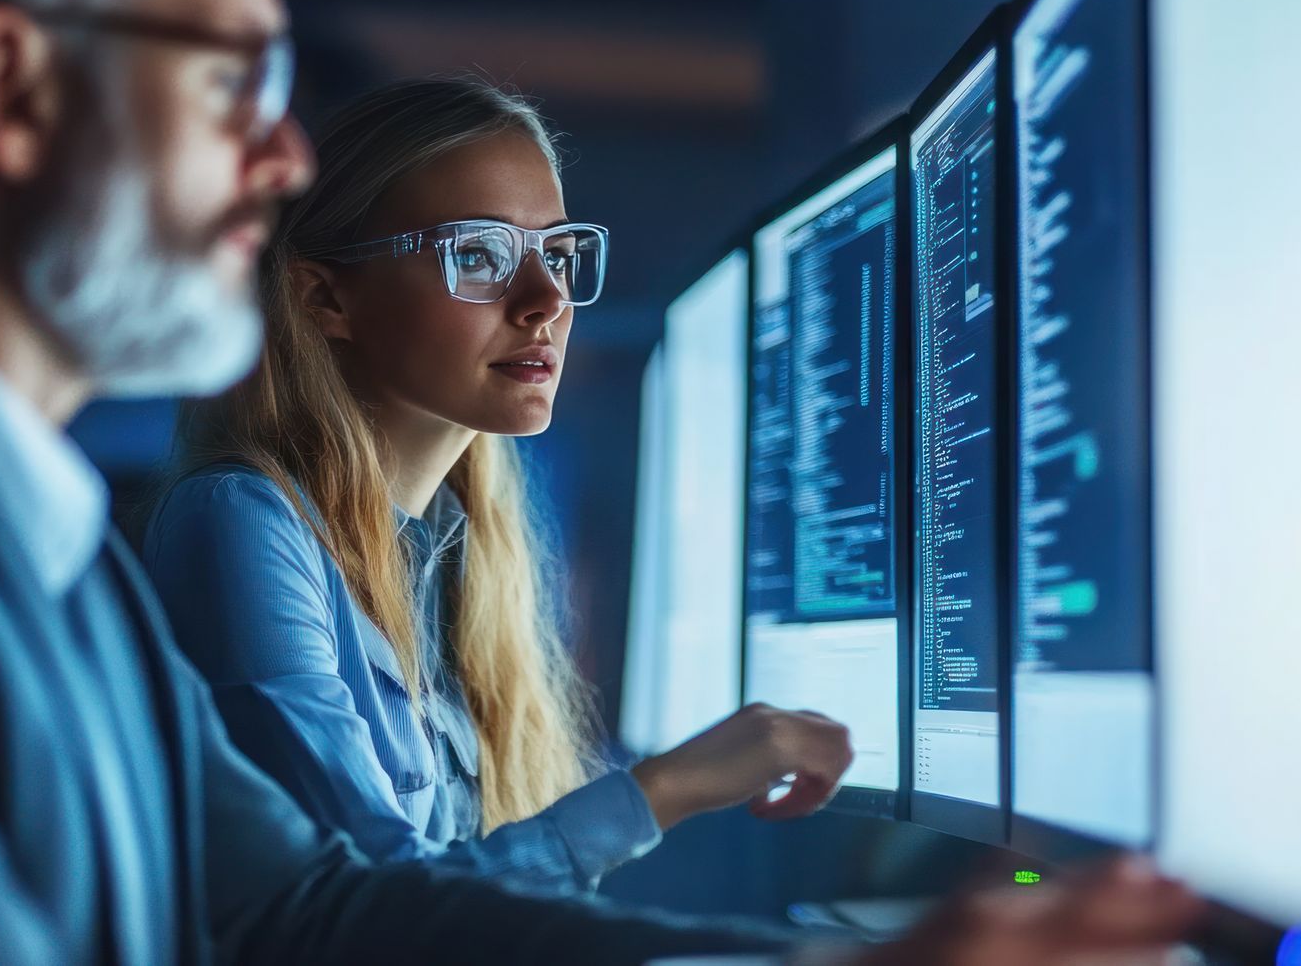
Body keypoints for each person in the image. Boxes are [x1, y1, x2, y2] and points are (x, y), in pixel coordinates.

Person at [0, 0, 1202, 960]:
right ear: (9, 91)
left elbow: (315, 911)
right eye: (233, 82)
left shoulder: (44, 559)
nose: (278, 167)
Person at [146, 77, 858, 896]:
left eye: (557, 254)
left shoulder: (452, 552)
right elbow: (369, 916)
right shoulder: (240, 521)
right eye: (478, 254)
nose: (547, 301)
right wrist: (670, 788)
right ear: (325, 297)